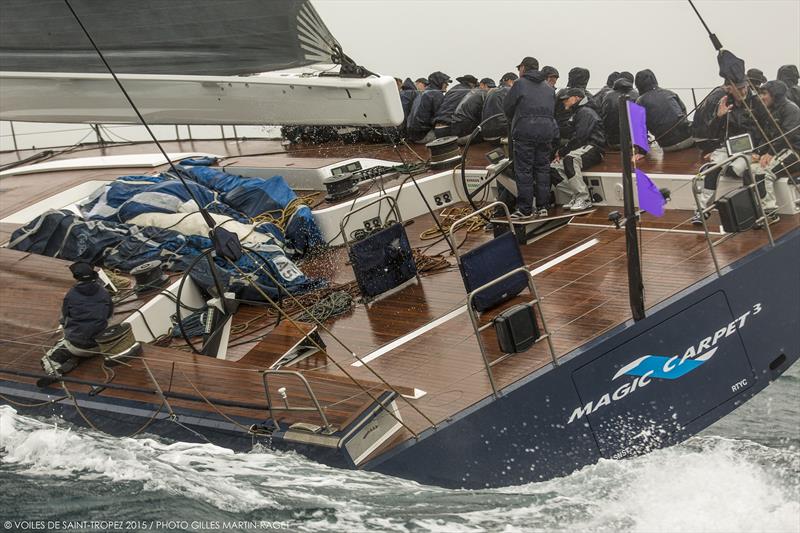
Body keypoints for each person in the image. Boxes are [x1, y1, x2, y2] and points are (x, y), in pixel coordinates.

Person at [692, 78, 761, 223]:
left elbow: (766, 130)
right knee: (711, 169)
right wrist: (718, 117)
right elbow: (711, 133)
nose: (743, 91)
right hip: (728, 147)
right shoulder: (725, 103)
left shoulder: (757, 104)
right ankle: (702, 210)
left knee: (736, 170)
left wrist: (760, 151)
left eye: (745, 87)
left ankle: (753, 211)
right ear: (730, 88)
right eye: (739, 88)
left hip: (750, 149)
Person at [503, 56, 559, 218]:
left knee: (524, 171)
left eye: (519, 68)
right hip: (546, 133)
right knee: (542, 169)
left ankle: (525, 209)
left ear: (524, 68)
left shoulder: (519, 84)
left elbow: (508, 108)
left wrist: (516, 121)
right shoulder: (549, 88)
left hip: (525, 133)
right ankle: (543, 207)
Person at [41, 262, 114, 377]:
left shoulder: (71, 295)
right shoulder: (104, 293)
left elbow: (65, 316)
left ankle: (55, 371)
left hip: (77, 344)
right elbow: (109, 313)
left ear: (76, 277)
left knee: (47, 359)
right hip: (99, 344)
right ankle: (77, 357)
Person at [749, 80, 800, 221]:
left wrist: (770, 154)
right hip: (780, 149)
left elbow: (786, 136)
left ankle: (770, 212)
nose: (761, 97)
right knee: (750, 170)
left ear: (775, 95)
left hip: (795, 150)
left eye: (764, 94)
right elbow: (767, 135)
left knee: (763, 173)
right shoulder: (770, 110)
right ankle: (755, 209)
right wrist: (758, 152)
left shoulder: (792, 109)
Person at [551, 88, 606, 211]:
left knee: (570, 159)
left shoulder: (586, 112)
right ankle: (576, 195)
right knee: (553, 168)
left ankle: (584, 198)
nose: (564, 102)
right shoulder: (578, 112)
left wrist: (562, 152)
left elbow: (580, 138)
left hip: (594, 147)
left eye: (566, 99)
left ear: (576, 98)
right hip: (582, 148)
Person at [634, 69, 694, 151]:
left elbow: (639, 129)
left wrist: (641, 152)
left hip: (667, 145)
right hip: (688, 139)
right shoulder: (669, 93)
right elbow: (683, 110)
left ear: (638, 85)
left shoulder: (639, 101)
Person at [406, 71, 450, 144]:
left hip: (413, 135)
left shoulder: (424, 92)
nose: (447, 85)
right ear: (439, 82)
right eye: (445, 82)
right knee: (451, 133)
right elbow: (441, 117)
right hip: (423, 136)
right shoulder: (436, 94)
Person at [602, 76, 639, 148]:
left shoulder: (608, 95)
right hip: (631, 142)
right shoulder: (636, 94)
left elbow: (604, 116)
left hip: (612, 142)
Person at [481, 72, 518, 143]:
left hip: (486, 134)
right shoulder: (508, 90)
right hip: (499, 134)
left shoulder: (492, 91)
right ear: (510, 81)